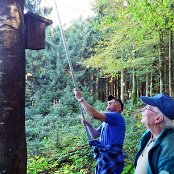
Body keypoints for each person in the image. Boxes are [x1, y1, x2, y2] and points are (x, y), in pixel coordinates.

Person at [73, 89, 126, 174]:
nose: (109, 102)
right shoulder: (106, 122)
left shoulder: (116, 116)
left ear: (119, 107)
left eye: (112, 101)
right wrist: (88, 125)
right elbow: (95, 135)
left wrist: (80, 99)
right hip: (105, 156)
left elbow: (94, 114)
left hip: (111, 156)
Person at [134, 93, 174, 174]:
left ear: (158, 119)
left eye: (147, 108)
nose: (142, 109)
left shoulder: (170, 146)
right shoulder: (149, 135)